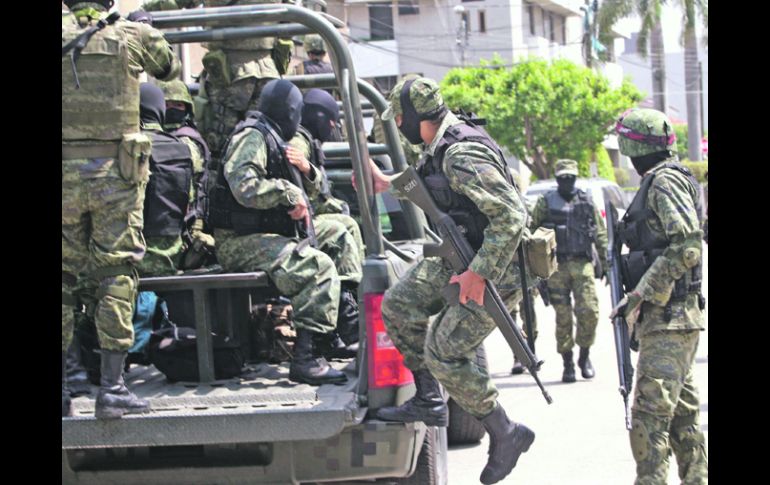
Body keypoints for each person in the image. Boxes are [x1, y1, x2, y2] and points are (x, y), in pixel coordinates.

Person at [362, 77, 535, 485]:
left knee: (443, 351)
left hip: (498, 266)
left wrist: (480, 273)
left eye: (399, 118)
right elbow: (430, 185)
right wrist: (386, 184)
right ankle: (428, 398)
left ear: (415, 117)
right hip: (463, 252)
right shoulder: (439, 145)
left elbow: (511, 215)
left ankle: (505, 431)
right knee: (398, 305)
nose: (398, 125)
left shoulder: (461, 152)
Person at [62, 0, 180, 418]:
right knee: (116, 274)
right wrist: (140, 26)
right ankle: (112, 388)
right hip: (116, 177)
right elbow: (169, 68)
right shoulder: (131, 35)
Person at [207, 79, 359, 385]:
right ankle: (307, 358)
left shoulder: (276, 137)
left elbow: (309, 191)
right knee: (316, 267)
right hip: (238, 241)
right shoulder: (252, 136)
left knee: (339, 233)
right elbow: (244, 186)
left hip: (270, 231)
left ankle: (340, 328)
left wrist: (305, 176)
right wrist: (287, 194)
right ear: (289, 111)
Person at [611, 108, 708, 484]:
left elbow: (687, 246)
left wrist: (638, 294)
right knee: (683, 418)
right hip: (671, 318)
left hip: (670, 318)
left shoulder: (664, 181)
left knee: (649, 420)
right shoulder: (665, 178)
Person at [142, 0, 290, 157]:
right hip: (268, 71)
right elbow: (290, 15)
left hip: (229, 73)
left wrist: (142, 13)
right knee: (267, 142)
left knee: (219, 146)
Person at [289, 88, 365, 355]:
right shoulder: (299, 140)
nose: (332, 127)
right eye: (330, 121)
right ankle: (348, 322)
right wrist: (306, 168)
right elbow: (293, 169)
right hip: (293, 222)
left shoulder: (310, 141)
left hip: (307, 218)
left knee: (349, 224)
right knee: (338, 233)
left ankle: (349, 312)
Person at [528, 159, 607, 382]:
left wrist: (607, 264)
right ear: (557, 179)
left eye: (570, 178)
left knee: (589, 311)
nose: (567, 181)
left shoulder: (586, 200)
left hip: (583, 264)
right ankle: (568, 363)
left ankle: (584, 356)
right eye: (562, 178)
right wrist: (535, 270)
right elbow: (532, 235)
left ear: (575, 177)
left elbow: (600, 233)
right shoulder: (545, 202)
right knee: (562, 317)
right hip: (556, 266)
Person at [136, 83, 195, 277]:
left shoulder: (127, 147)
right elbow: (190, 203)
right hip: (172, 258)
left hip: (133, 259)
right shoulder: (183, 148)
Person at [158, 79, 217, 269]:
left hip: (189, 224)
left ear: (188, 108)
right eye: (167, 105)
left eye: (178, 105)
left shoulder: (188, 141)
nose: (171, 109)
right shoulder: (155, 137)